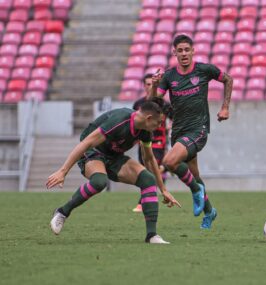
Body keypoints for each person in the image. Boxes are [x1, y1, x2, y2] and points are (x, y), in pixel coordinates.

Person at [46, 97, 181, 244]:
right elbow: (87, 143)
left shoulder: (145, 131)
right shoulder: (120, 120)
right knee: (99, 181)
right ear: (149, 118)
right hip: (92, 151)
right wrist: (63, 171)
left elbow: (149, 159)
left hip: (114, 156)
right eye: (159, 122)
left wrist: (163, 189)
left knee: (148, 180)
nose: (160, 126)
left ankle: (152, 236)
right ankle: (62, 212)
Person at [152, 34, 233, 229]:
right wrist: (154, 84)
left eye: (187, 50)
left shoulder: (204, 70)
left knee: (170, 162)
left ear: (193, 50)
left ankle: (196, 192)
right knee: (194, 175)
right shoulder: (170, 76)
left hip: (199, 129)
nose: (184, 54)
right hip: (179, 131)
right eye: (179, 50)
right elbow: (154, 101)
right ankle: (209, 211)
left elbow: (228, 79)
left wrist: (225, 107)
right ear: (174, 53)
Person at [132, 73, 173, 213]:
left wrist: (170, 125)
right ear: (144, 86)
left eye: (152, 84)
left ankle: (142, 202)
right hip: (142, 142)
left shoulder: (164, 104)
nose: (150, 86)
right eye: (147, 84)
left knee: (151, 169)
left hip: (158, 142)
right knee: (144, 171)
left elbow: (173, 117)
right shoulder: (138, 104)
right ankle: (155, 195)